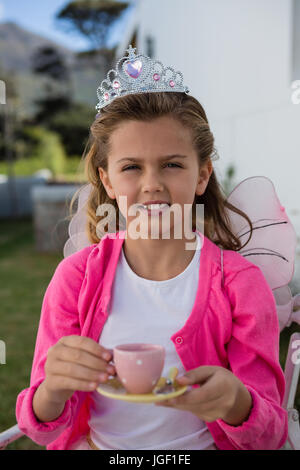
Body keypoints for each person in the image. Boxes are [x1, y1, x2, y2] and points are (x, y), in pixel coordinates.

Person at [16, 45, 288, 451]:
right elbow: (43, 428)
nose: (152, 184)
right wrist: (52, 389)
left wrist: (238, 402)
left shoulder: (240, 284)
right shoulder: (75, 279)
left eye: (173, 164)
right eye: (131, 167)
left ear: (202, 175)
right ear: (107, 182)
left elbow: (270, 435)